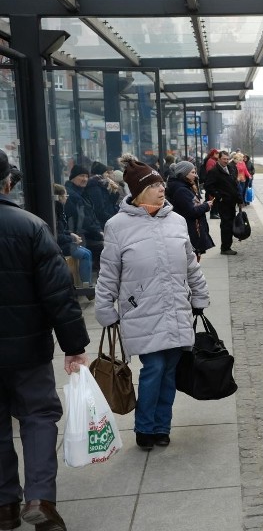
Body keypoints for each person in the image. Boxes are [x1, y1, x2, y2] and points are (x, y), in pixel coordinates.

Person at [0, 151, 90, 531]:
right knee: (38, 417)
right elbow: (59, 294)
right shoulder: (31, 227)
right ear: (8, 182)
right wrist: (74, 346)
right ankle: (40, 500)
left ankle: (4, 507)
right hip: (28, 350)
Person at [94, 154, 209, 451]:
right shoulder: (117, 226)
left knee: (170, 368)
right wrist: (105, 308)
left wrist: (199, 294)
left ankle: (162, 426)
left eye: (161, 184)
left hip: (175, 307)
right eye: (155, 185)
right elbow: (109, 272)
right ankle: (145, 428)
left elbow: (190, 264)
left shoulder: (177, 221)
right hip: (141, 309)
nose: (162, 189)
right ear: (139, 191)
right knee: (155, 367)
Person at [165, 161, 215, 261]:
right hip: (189, 230)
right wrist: (206, 206)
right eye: (192, 172)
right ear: (184, 173)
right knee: (193, 260)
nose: (195, 175)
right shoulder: (181, 190)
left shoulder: (183, 186)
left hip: (189, 229)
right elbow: (191, 212)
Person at [64, 164, 105, 267]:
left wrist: (99, 230)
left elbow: (92, 215)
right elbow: (83, 220)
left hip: (87, 234)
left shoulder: (82, 193)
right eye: (81, 176)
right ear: (73, 177)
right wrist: (98, 232)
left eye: (86, 176)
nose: (85, 179)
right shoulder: (72, 195)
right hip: (79, 235)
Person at [54, 183, 94, 287]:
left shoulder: (57, 209)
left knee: (87, 252)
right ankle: (87, 285)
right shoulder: (57, 210)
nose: (66, 199)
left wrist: (70, 234)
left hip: (63, 242)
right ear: (60, 197)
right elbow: (57, 235)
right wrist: (71, 238)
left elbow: (61, 230)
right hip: (59, 246)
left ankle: (86, 284)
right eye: (65, 196)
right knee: (86, 254)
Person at [204, 150, 242, 255]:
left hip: (232, 202)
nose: (226, 161)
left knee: (230, 223)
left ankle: (227, 246)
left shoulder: (230, 168)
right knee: (226, 225)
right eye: (224, 159)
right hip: (223, 203)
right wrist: (219, 196)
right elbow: (208, 186)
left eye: (227, 159)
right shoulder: (214, 171)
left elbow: (235, 185)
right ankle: (225, 248)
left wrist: (239, 199)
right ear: (219, 159)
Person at [85, 161, 121, 227]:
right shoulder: (95, 187)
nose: (107, 175)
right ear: (100, 173)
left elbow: (110, 202)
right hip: (103, 223)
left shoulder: (102, 185)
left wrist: (114, 192)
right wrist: (113, 219)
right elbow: (99, 210)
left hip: (107, 220)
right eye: (105, 172)